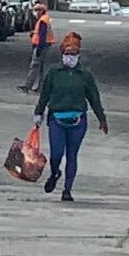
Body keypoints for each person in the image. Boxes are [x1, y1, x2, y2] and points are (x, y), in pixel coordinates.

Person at [36, 29, 107, 201]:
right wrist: (38, 113)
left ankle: (67, 189)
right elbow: (44, 94)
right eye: (67, 53)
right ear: (62, 53)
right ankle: (55, 173)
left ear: (78, 54)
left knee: (72, 155)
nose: (70, 56)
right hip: (56, 119)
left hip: (78, 120)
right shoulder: (53, 73)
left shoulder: (85, 75)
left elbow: (94, 98)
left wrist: (101, 118)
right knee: (56, 154)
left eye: (73, 54)